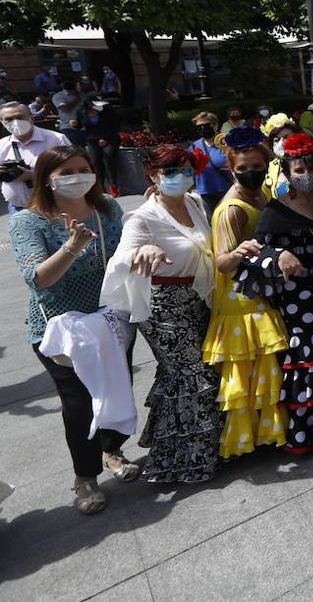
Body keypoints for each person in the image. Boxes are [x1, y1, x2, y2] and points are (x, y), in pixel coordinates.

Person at [12, 146, 140, 513]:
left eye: (84, 169)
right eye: (67, 172)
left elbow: (124, 254)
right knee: (80, 403)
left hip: (111, 321)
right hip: (62, 330)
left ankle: (111, 450)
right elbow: (38, 280)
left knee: (117, 384)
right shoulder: (28, 222)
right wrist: (71, 247)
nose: (78, 176)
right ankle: (85, 478)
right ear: (47, 179)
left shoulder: (108, 210)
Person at [102, 145, 224, 483]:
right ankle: (192, 460)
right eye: (171, 171)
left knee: (186, 375)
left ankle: (180, 452)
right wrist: (145, 249)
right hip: (163, 306)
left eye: (186, 170)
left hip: (197, 298)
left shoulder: (194, 202)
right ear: (154, 176)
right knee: (192, 375)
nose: (180, 177)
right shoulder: (143, 217)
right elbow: (122, 257)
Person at [235, 133, 313, 453]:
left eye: (310, 167)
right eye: (298, 170)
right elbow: (253, 253)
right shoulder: (277, 210)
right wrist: (277, 255)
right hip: (297, 301)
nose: (305, 174)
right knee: (308, 359)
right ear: (287, 174)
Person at [200, 126, 287, 459]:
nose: (252, 173)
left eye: (257, 166)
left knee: (265, 371)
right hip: (242, 298)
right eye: (243, 169)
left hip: (260, 287)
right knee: (251, 374)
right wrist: (240, 252)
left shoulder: (261, 192)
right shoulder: (232, 209)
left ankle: (269, 433)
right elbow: (222, 261)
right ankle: (250, 439)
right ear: (231, 168)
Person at [0, 101, 72, 210]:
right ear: (2, 122)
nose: (15, 122)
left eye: (19, 117)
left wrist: (34, 176)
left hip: (53, 207)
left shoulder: (56, 139)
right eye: (9, 119)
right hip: (17, 209)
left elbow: (72, 174)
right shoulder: (2, 144)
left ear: (31, 118)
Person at [188, 112, 231, 217]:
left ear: (215, 125)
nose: (202, 129)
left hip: (227, 190)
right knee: (213, 222)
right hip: (206, 192)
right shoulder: (194, 147)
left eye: (205, 126)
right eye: (199, 127)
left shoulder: (226, 143)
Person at [83, 101, 121, 197]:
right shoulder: (82, 112)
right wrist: (75, 125)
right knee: (95, 161)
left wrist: (105, 138)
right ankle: (101, 187)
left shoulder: (107, 111)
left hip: (109, 138)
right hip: (92, 139)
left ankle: (113, 185)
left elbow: (115, 126)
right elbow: (82, 125)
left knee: (108, 157)